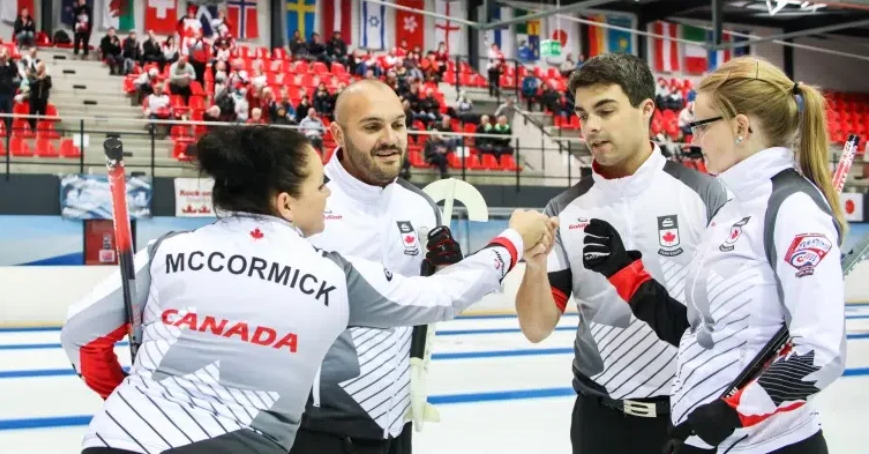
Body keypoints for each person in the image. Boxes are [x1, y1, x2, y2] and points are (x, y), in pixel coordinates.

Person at [60, 126, 554, 454]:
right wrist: (513, 240)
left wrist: (116, 387)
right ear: (285, 203)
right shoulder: (334, 276)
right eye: (320, 184)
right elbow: (442, 297)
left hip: (118, 438)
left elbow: (81, 333)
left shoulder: (168, 250)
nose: (329, 192)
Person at [581, 57, 846, 453]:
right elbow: (700, 332)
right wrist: (624, 272)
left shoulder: (793, 209)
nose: (695, 138)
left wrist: (733, 415)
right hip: (707, 441)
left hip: (769, 446)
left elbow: (821, 354)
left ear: (741, 127)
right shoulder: (732, 210)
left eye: (701, 125)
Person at [515, 53, 727, 454]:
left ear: (647, 110)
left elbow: (736, 319)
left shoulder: (706, 194)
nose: (591, 127)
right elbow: (536, 328)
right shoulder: (563, 211)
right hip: (602, 422)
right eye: (581, 115)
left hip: (694, 415)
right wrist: (535, 265)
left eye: (605, 110)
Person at [289, 79, 443, 454]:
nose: (390, 138)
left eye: (399, 124)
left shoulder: (421, 206)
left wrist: (448, 270)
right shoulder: (301, 200)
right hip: (315, 426)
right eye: (373, 127)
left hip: (395, 420)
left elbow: (432, 301)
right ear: (337, 134)